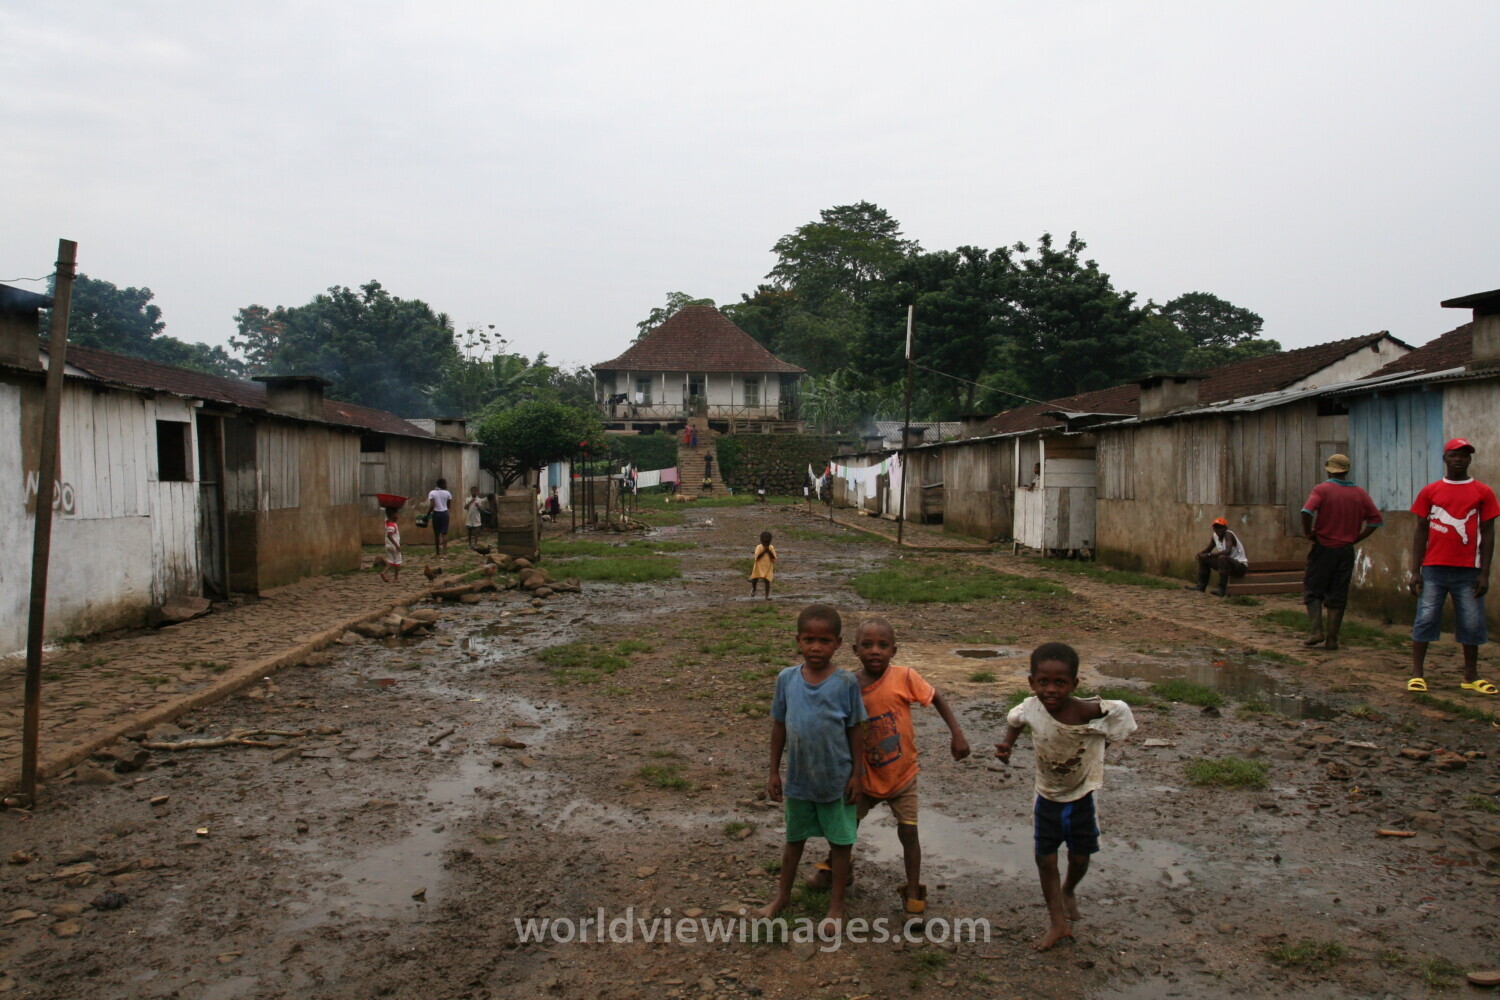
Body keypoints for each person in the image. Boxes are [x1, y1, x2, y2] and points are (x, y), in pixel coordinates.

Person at [811, 618, 970, 919]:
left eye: (883, 646)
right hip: (863, 776)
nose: (875, 651)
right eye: (868, 645)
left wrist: (957, 733)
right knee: (845, 829)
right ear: (855, 649)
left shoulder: (905, 677)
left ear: (894, 650)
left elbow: (936, 698)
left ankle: (913, 891)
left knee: (909, 834)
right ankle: (836, 868)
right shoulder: (848, 684)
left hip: (902, 776)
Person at [995, 642, 1137, 951]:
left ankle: (1069, 888)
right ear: (1032, 682)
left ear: (1074, 684)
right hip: (1046, 794)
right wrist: (1007, 745)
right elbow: (1015, 719)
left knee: (1079, 855)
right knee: (1044, 858)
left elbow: (1121, 714)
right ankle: (1057, 923)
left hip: (1081, 794)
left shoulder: (1087, 710)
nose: (1051, 689)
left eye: (1060, 682)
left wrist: (1098, 750)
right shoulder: (1030, 707)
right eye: (1043, 682)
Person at [756, 604, 867, 934]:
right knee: (794, 840)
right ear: (797, 641)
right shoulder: (787, 680)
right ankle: (782, 896)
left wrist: (857, 774)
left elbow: (856, 730)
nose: (815, 647)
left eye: (824, 640)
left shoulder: (846, 682)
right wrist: (774, 771)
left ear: (838, 643)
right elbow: (779, 726)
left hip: (836, 781)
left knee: (841, 844)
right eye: (808, 640)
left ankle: (837, 906)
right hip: (799, 781)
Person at [1407, 438, 1499, 695]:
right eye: (1454, 455)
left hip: (1469, 570)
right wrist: (1415, 570)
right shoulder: (1431, 490)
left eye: (1464, 456)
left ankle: (1471, 675)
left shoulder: (1483, 492)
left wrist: (1485, 573)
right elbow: (1420, 530)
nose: (1459, 460)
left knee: (1471, 622)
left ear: (1470, 460)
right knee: (1425, 618)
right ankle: (1417, 674)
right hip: (1434, 568)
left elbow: (1488, 533)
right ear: (1445, 458)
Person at [1300, 454, 1383, 649]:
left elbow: (1306, 512)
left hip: (1323, 548)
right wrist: (1356, 538)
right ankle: (1332, 639)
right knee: (1338, 594)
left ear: (1328, 469)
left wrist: (1307, 533)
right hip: (1345, 551)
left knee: (1313, 590)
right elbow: (1375, 521)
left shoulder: (1322, 489)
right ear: (1347, 470)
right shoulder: (1360, 493)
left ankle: (1315, 631)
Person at [1188, 517, 1248, 596]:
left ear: (1225, 528)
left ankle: (1222, 589)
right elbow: (1208, 549)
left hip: (1239, 567)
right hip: (1226, 565)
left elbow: (1227, 551)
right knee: (1203, 558)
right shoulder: (1215, 536)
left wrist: (1209, 554)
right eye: (1216, 528)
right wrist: (1200, 554)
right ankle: (1200, 586)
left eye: (1220, 527)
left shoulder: (1228, 534)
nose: (1218, 530)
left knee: (1222, 558)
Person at [426, 478, 453, 556]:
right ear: (442, 484)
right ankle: (444, 551)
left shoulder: (432, 493)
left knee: (436, 534)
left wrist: (427, 515)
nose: (447, 485)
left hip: (436, 514)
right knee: (444, 533)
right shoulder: (447, 493)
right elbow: (448, 506)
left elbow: (432, 505)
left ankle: (437, 552)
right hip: (444, 514)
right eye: (445, 483)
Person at [750, 531, 777, 599]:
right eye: (764, 542)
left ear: (770, 541)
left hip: (768, 567)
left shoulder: (771, 548)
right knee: (754, 579)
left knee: (767, 581)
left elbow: (774, 558)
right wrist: (764, 551)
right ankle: (754, 589)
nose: (766, 544)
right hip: (758, 567)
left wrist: (769, 551)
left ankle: (766, 596)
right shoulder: (759, 547)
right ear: (761, 540)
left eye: (767, 543)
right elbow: (757, 557)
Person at [379, 506, 402, 583]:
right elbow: (389, 535)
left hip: (388, 546)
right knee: (397, 561)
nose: (397, 516)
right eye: (396, 514)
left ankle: (384, 572)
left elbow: (386, 514)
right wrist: (396, 545)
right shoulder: (392, 525)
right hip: (393, 546)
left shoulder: (387, 522)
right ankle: (396, 578)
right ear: (392, 515)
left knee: (390, 561)